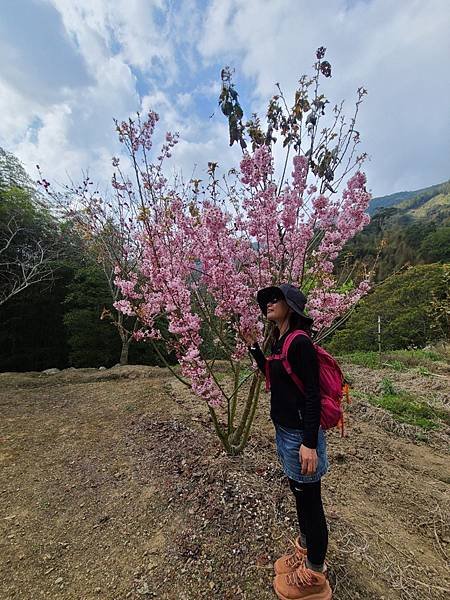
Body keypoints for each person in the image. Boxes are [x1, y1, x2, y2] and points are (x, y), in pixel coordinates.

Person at [247, 284, 332, 600]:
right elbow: (273, 374)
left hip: (301, 437)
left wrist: (309, 441)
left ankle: (314, 575)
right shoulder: (282, 341)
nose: (268, 303)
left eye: (276, 298)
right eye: (266, 300)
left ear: (291, 306)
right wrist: (254, 348)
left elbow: (313, 395)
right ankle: (305, 551)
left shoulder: (300, 343)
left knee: (311, 502)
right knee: (300, 497)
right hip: (287, 433)